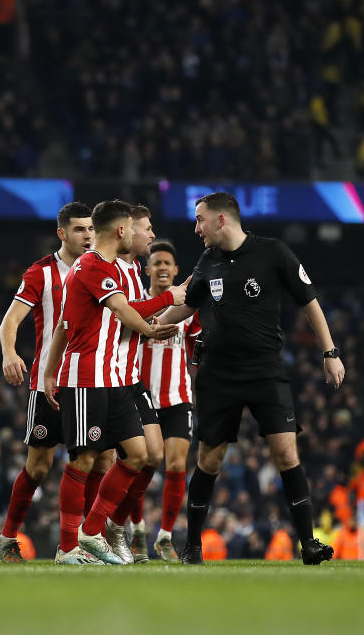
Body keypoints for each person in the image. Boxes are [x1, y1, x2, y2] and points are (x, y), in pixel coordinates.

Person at [159, 191, 344, 565]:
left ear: (221, 220)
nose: (196, 228)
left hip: (265, 370)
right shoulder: (208, 260)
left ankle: (308, 543)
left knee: (286, 452)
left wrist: (330, 352)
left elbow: (310, 301)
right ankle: (192, 547)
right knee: (210, 459)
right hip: (218, 374)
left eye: (200, 219)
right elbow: (185, 306)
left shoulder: (274, 253)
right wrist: (147, 325)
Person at [42, 200, 181, 565]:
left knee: (138, 455)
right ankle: (68, 547)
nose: (143, 234)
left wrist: (47, 370)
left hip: (115, 379)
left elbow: (69, 324)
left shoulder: (114, 271)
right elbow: (121, 311)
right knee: (84, 459)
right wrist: (166, 302)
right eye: (137, 228)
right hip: (87, 376)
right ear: (122, 230)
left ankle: (93, 530)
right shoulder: (90, 266)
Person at [0, 201, 94, 564]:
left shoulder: (101, 269)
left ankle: (81, 541)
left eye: (90, 229)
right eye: (79, 229)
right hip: (47, 383)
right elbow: (10, 321)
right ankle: (7, 538)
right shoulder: (41, 273)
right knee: (38, 465)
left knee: (95, 459)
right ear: (62, 233)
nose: (87, 236)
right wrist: (9, 353)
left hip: (89, 380)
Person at [103, 204, 186, 564]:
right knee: (102, 460)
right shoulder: (117, 274)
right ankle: (108, 530)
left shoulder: (133, 273)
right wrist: (164, 305)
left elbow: (194, 345)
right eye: (147, 229)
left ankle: (138, 531)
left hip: (167, 393)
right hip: (123, 383)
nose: (151, 235)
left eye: (168, 263)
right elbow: (126, 319)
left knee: (163, 460)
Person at [138, 240, 201, 561]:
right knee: (144, 462)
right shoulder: (135, 301)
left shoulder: (188, 308)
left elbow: (195, 344)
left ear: (176, 270)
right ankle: (135, 528)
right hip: (141, 396)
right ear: (147, 269)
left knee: (176, 464)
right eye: (156, 263)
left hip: (177, 396)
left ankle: (164, 536)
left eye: (167, 264)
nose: (162, 268)